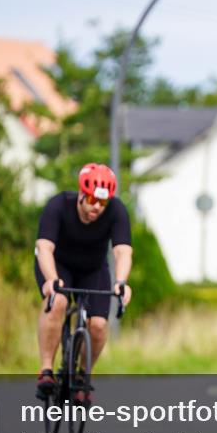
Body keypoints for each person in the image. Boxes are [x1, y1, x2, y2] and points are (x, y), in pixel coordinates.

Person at [34, 163, 133, 401]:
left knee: (98, 325)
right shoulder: (58, 205)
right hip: (58, 266)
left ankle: (82, 376)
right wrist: (51, 280)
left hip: (93, 269)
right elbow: (44, 247)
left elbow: (122, 251)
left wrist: (121, 282)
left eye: (103, 202)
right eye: (91, 199)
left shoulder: (117, 210)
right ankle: (46, 370)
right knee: (57, 302)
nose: (97, 207)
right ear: (81, 194)